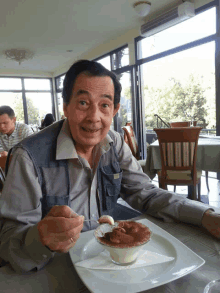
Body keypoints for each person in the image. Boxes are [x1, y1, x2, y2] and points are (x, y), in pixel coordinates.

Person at [0, 60, 219, 273]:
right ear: (65, 106)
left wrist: (205, 215)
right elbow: (9, 240)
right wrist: (41, 238)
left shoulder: (115, 143)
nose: (94, 118)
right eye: (83, 103)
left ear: (114, 110)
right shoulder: (27, 157)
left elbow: (146, 194)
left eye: (104, 105)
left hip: (109, 259)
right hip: (55, 266)